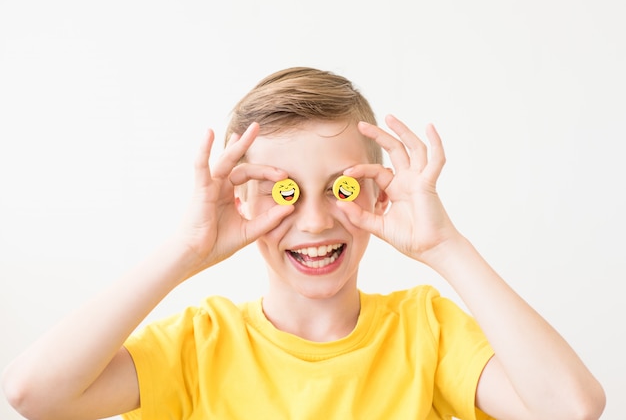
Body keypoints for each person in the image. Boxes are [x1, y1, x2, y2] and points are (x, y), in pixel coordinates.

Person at [2, 67, 605, 419]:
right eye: (283, 191)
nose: (315, 221)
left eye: (341, 187)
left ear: (377, 194)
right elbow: (33, 394)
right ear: (240, 198)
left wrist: (445, 245)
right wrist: (185, 249)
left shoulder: (428, 332)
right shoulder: (197, 345)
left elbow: (571, 409)